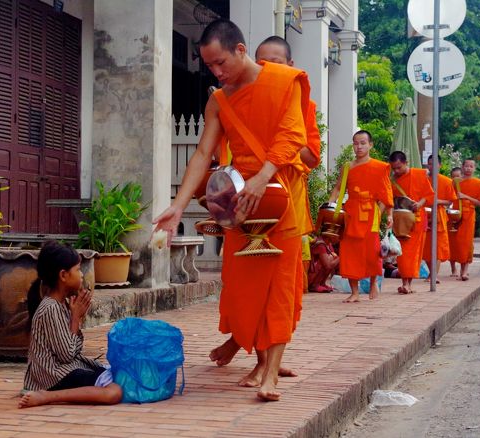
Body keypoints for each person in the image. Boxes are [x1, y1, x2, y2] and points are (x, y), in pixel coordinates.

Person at [152, 19, 313, 401]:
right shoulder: (218, 101)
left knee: (278, 291)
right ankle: (250, 353)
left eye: (221, 63)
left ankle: (270, 374)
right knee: (244, 290)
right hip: (241, 206)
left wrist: (265, 176)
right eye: (210, 66)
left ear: (241, 50)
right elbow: (203, 153)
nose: (217, 73)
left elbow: (294, 134)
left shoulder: (285, 81)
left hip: (280, 200)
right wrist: (177, 205)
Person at [208, 35, 321, 377]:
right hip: (246, 199)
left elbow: (310, 154)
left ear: (288, 67)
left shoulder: (300, 101)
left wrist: (280, 144)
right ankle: (249, 347)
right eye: (263, 61)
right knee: (244, 280)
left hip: (284, 198)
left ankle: (267, 363)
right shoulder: (231, 97)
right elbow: (217, 151)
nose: (268, 68)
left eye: (276, 62)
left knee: (280, 284)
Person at [19, 242, 123, 408]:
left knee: (118, 374)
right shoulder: (50, 308)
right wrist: (75, 318)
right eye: (78, 269)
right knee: (114, 392)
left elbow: (72, 351)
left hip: (67, 368)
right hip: (53, 376)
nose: (82, 275)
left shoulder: (63, 304)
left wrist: (76, 316)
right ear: (63, 275)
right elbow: (67, 355)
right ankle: (47, 397)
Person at [328, 130, 394, 303]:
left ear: (370, 145)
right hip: (351, 212)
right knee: (350, 251)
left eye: (363, 143)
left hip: (371, 212)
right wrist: (331, 206)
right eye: (356, 143)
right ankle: (355, 292)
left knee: (372, 251)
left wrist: (389, 215)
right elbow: (337, 188)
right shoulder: (347, 167)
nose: (359, 147)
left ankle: (373, 283)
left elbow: (386, 193)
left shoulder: (380, 167)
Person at [389, 151, 434, 294]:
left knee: (413, 253)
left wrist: (419, 204)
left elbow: (429, 195)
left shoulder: (419, 175)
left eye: (399, 167)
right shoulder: (393, 180)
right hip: (401, 222)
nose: (396, 171)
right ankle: (405, 283)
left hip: (417, 219)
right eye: (394, 168)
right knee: (402, 254)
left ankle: (408, 284)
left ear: (406, 163)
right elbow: (390, 199)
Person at [449, 159, 480, 281]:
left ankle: (465, 271)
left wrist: (466, 196)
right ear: (462, 167)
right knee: (456, 243)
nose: (468, 168)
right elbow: (449, 197)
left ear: (474, 168)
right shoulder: (455, 182)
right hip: (455, 215)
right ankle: (458, 268)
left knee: (466, 243)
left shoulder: (478, 183)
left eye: (471, 166)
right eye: (466, 166)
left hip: (469, 215)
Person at [422, 154, 458, 281]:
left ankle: (434, 275)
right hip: (424, 214)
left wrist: (436, 201)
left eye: (435, 163)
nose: (432, 166)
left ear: (440, 165)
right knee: (425, 246)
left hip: (439, 215)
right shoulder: (423, 179)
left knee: (437, 246)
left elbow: (450, 201)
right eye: (430, 163)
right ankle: (431, 273)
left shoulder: (446, 181)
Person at [448, 166, 463, 277]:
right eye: (453, 177)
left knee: (462, 245)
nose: (455, 179)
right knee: (451, 246)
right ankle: (453, 269)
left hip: (463, 220)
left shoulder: (465, 189)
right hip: (449, 219)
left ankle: (463, 269)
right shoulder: (448, 188)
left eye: (458, 176)